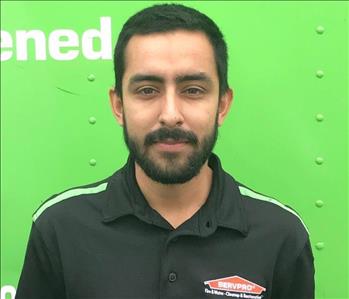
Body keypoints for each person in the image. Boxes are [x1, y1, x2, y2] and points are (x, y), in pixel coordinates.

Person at [16, 3, 315, 299]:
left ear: (222, 105)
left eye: (193, 90)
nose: (170, 114)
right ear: (118, 105)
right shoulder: (59, 228)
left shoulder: (281, 235)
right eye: (147, 90)